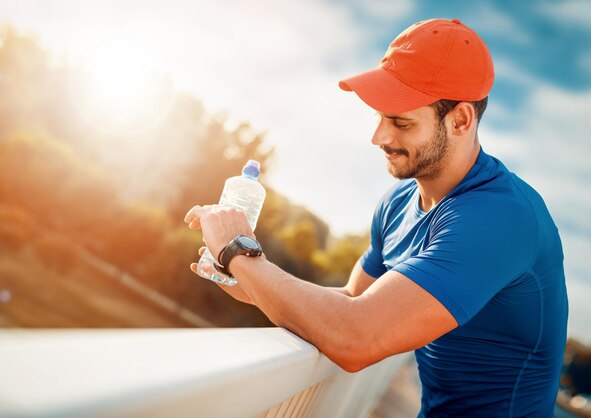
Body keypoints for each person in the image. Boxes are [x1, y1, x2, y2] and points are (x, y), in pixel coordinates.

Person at [184, 18, 568, 418]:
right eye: (379, 117)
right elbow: (353, 299)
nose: (379, 137)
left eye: (401, 122)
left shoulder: (501, 218)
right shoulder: (399, 202)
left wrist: (241, 254)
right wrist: (252, 283)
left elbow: (356, 336)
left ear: (460, 120)